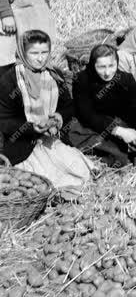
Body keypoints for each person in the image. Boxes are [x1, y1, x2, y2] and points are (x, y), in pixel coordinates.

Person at [0, 30, 93, 194]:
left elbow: (68, 106)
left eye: (44, 52)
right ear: (23, 52)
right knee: (45, 182)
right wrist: (32, 128)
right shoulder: (9, 79)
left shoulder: (54, 74)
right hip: (23, 146)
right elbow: (4, 121)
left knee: (81, 172)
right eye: (34, 53)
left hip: (51, 138)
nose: (40, 58)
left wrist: (58, 117)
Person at [72, 43, 136, 168]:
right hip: (92, 126)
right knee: (120, 157)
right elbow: (87, 115)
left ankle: (134, 149)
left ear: (117, 63)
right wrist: (118, 131)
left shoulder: (126, 80)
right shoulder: (82, 80)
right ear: (93, 65)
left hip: (116, 122)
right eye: (101, 67)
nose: (107, 72)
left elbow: (134, 108)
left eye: (111, 66)